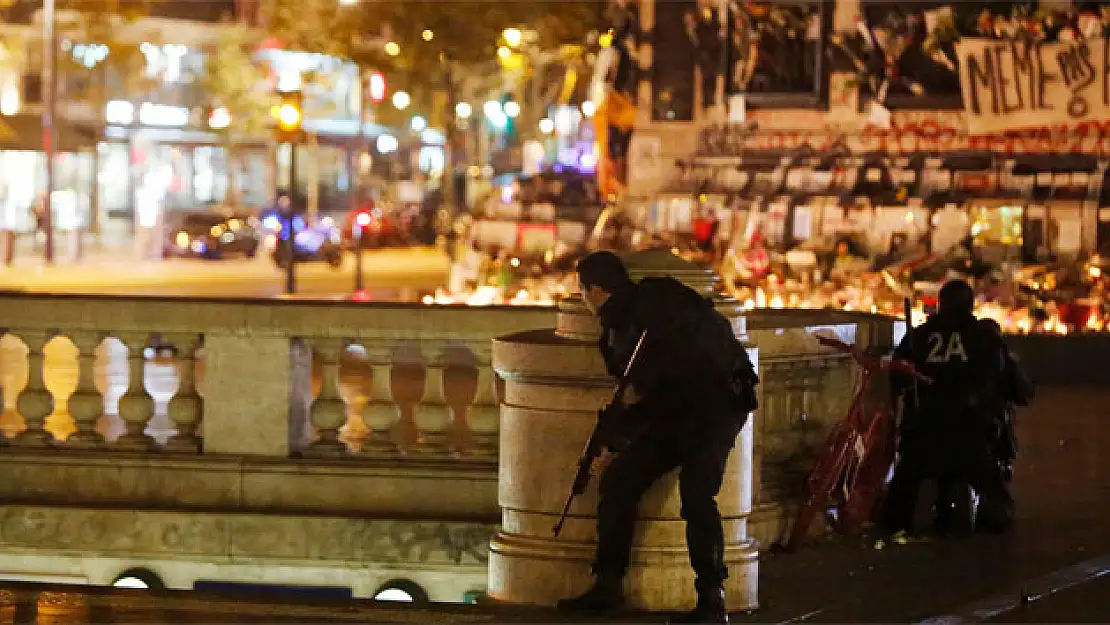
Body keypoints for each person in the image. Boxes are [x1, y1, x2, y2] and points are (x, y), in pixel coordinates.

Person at [556, 251, 757, 624]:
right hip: (679, 413)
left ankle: (712, 597)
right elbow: (643, 397)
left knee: (697, 495)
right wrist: (615, 442)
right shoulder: (626, 323)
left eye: (583, 290)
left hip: (715, 409)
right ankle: (608, 584)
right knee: (619, 481)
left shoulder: (653, 308)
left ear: (595, 290)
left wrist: (641, 397)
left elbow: (663, 376)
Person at [883, 279, 1014, 539]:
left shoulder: (919, 336)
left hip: (924, 431)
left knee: (898, 502)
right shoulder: (983, 337)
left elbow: (898, 378)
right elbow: (1008, 380)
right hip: (970, 432)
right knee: (996, 503)